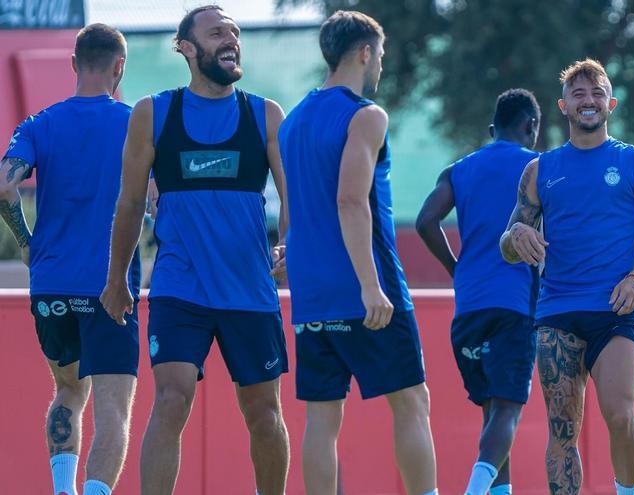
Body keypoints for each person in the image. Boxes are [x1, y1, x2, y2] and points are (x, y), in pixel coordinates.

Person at [99, 6, 290, 495]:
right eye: (216, 32)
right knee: (171, 400)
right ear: (186, 48)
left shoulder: (265, 114)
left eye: (235, 31)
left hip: (249, 290)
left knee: (265, 416)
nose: (231, 39)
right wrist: (117, 279)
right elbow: (129, 202)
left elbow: (295, 200)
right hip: (178, 287)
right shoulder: (153, 113)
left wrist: (289, 245)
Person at [278, 10, 438, 495]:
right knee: (412, 402)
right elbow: (350, 200)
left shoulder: (293, 120)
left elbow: (293, 205)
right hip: (365, 288)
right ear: (365, 53)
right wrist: (371, 286)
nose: (381, 67)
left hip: (312, 294)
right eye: (381, 56)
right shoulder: (366, 115)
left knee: (321, 418)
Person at [500, 58, 634, 495]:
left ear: (610, 103)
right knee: (562, 431)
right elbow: (507, 245)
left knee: (620, 417)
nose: (589, 100)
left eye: (597, 93)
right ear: (563, 106)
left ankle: (628, 490)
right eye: (579, 94)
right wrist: (516, 233)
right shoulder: (540, 169)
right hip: (556, 314)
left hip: (615, 310)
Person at [0, 24, 137, 495]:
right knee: (114, 408)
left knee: (68, 392)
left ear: (74, 64)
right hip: (110, 283)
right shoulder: (135, 122)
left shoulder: (39, 123)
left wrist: (25, 239)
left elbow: (3, 183)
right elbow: (159, 200)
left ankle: (63, 491)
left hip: (51, 282)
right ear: (120, 67)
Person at [416, 88, 541, 495]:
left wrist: (457, 269)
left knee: (492, 412)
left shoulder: (459, 170)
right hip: (515, 304)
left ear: (493, 130)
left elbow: (425, 221)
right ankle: (473, 490)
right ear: (531, 126)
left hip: (468, 308)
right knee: (507, 410)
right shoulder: (539, 167)